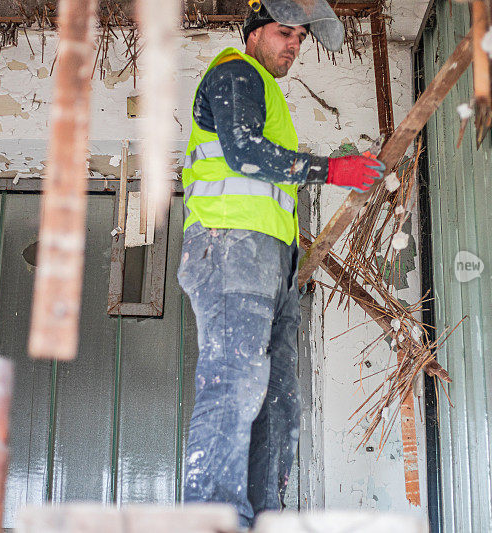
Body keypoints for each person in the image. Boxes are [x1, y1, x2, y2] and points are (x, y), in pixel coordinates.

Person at [177, 1, 386, 527]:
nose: (294, 44)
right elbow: (245, 154)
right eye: (285, 32)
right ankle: (214, 517)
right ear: (254, 32)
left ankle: (262, 516)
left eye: (300, 37)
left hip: (272, 265)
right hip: (230, 252)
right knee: (235, 382)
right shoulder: (235, 73)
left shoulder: (272, 99)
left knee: (278, 403)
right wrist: (332, 169)